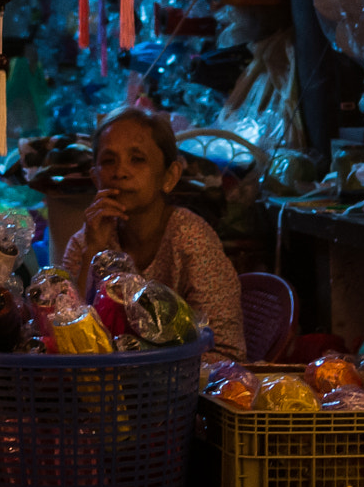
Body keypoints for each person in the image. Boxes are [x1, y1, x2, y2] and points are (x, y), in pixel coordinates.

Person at [61, 107, 248, 359]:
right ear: (96, 178)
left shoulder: (191, 238)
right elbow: (68, 340)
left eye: (137, 159)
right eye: (108, 161)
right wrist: (92, 251)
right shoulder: (86, 241)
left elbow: (225, 349)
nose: (120, 172)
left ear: (169, 177)